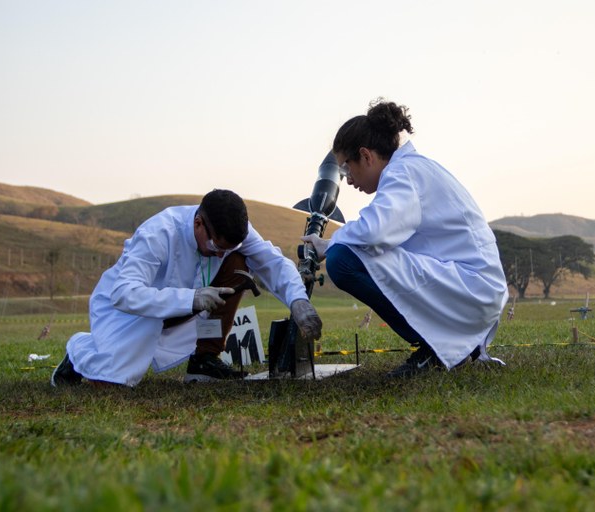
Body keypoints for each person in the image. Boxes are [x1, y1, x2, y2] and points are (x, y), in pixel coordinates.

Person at [302, 100, 508, 378]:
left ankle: (435, 347)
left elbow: (375, 231)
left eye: (347, 169)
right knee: (348, 249)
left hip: (471, 291)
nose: (348, 180)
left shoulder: (403, 174)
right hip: (471, 288)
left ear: (366, 156)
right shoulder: (410, 169)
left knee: (342, 259)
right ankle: (448, 344)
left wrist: (332, 242)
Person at [52, 189, 322, 387]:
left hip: (191, 306)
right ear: (198, 224)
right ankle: (80, 350)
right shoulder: (159, 233)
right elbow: (124, 293)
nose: (219, 256)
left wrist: (298, 300)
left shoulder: (232, 239)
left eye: (226, 249)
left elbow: (273, 262)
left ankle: (205, 359)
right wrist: (191, 298)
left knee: (240, 263)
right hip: (130, 313)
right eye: (216, 247)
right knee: (111, 385)